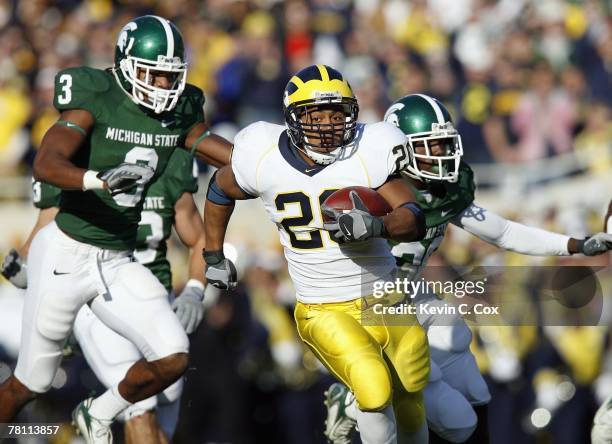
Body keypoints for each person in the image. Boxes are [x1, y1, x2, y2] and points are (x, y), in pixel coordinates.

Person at [324, 94, 612, 444]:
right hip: (371, 310)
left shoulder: (444, 192)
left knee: (471, 381)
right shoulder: (371, 193)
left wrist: (575, 244)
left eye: (445, 144)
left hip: (409, 296)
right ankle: (354, 402)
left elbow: (504, 232)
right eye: (431, 146)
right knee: (435, 411)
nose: (443, 155)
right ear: (399, 150)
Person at [0, 14, 231, 444]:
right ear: (127, 66)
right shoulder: (97, 94)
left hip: (118, 260)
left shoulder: (180, 114)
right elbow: (47, 163)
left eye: (170, 77)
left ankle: (98, 413)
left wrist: (273, 166)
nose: (164, 87)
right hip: (66, 253)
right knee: (30, 384)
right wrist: (97, 180)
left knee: (174, 356)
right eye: (154, 76)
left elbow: (222, 153)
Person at [203, 64, 430, 444]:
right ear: (294, 118)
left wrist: (378, 226)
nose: (328, 125)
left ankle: (347, 401)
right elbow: (220, 188)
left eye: (336, 113)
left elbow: (414, 215)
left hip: (386, 298)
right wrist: (212, 253)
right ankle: (356, 399)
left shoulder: (368, 150)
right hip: (323, 305)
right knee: (375, 390)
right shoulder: (261, 155)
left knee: (411, 395)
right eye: (317, 115)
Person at [2, 147, 205, 443]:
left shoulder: (171, 159)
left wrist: (195, 290)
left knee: (164, 413)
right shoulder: (79, 155)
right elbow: (45, 234)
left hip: (151, 298)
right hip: (96, 295)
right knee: (140, 408)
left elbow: (198, 236)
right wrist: (26, 270)